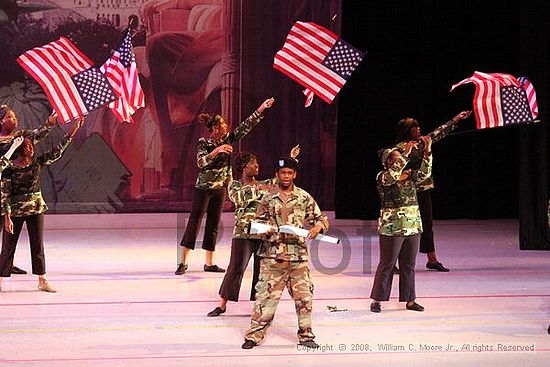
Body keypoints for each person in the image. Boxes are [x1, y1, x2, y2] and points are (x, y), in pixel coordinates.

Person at [175, 98, 275, 275]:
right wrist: (217, 151)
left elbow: (246, 126)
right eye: (221, 125)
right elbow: (200, 163)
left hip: (220, 188)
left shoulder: (228, 138)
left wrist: (261, 108)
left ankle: (209, 263)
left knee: (213, 223)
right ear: (214, 129)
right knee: (195, 222)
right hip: (204, 188)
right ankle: (183, 262)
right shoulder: (204, 143)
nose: (225, 128)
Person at [241, 157, 328, 350]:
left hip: (298, 258)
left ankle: (306, 335)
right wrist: (269, 229)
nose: (286, 176)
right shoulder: (268, 198)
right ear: (277, 174)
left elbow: (321, 218)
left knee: (304, 298)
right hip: (273, 258)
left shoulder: (304, 197)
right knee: (265, 299)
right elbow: (255, 226)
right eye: (282, 173)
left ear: (294, 174)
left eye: (289, 173)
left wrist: (318, 227)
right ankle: (254, 335)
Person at [207, 146, 300, 317]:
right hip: (243, 232)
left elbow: (281, 179)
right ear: (244, 167)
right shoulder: (235, 185)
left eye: (256, 162)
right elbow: (239, 197)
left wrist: (292, 159)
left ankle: (258, 305)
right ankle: (222, 304)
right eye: (252, 163)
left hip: (263, 233)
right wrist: (258, 189)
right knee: (236, 268)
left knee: (262, 270)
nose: (256, 166)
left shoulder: (265, 183)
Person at [0, 118, 83, 293]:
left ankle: (42, 279)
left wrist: (72, 132)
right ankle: (0, 279)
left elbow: (57, 151)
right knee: (8, 246)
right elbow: (4, 194)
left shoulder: (37, 163)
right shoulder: (10, 169)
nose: (30, 147)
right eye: (27, 145)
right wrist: (7, 218)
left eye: (31, 145)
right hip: (15, 211)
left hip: (36, 209)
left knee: (37, 244)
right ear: (21, 149)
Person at [394, 111, 471, 272]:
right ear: (408, 131)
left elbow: (439, 132)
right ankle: (393, 260)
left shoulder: (423, 143)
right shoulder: (398, 150)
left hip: (423, 190)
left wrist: (456, 118)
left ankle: (432, 259)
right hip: (406, 193)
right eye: (415, 127)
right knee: (404, 226)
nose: (419, 129)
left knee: (427, 224)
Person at [370, 136, 432, 313]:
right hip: (392, 228)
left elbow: (426, 174)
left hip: (412, 225)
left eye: (399, 156)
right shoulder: (383, 177)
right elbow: (392, 176)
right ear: (387, 161)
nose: (399, 158)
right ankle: (377, 300)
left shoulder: (411, 175)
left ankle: (410, 300)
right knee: (387, 264)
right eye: (394, 157)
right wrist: (405, 153)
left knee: (409, 265)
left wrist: (427, 151)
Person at [0, 105, 58, 275]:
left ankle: (5, 265)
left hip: (13, 192)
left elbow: (37, 135)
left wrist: (50, 122)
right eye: (10, 117)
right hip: (2, 188)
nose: (15, 119)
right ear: (1, 121)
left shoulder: (21, 136)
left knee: (9, 233)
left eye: (15, 116)